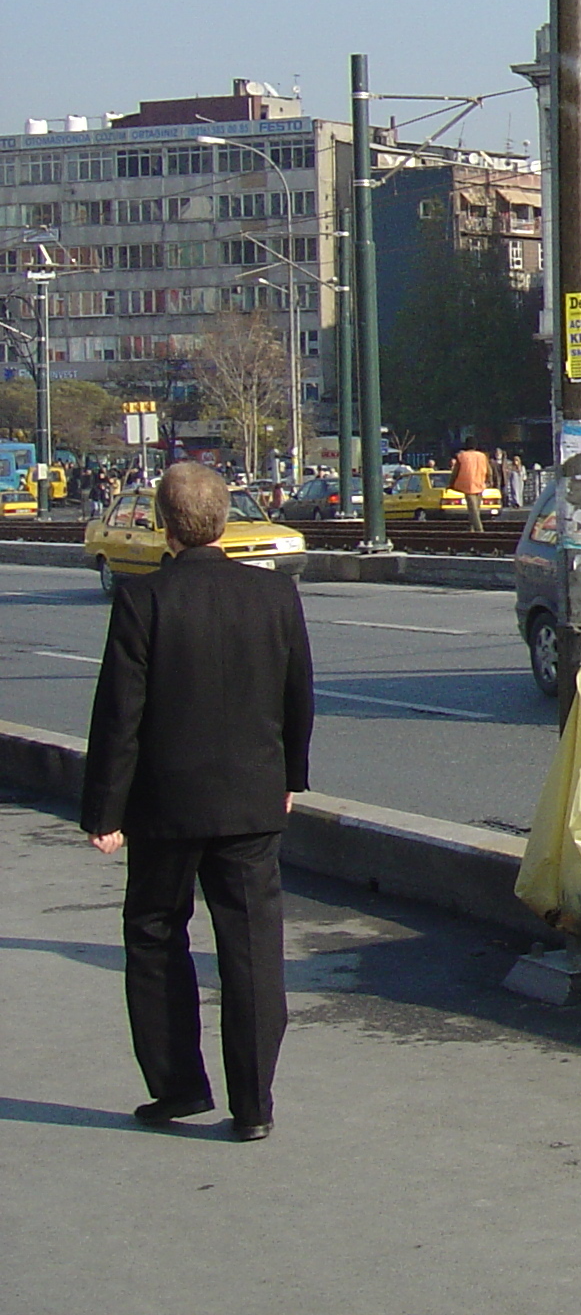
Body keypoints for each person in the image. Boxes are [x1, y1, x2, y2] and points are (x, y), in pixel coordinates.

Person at [82, 460, 315, 1142]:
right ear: (226, 519)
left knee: (155, 935)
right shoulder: (274, 598)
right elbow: (297, 695)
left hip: (164, 808)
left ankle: (178, 1086)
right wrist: (289, 779)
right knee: (250, 948)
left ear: (162, 522)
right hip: (251, 802)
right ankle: (254, 1104)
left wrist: (106, 812)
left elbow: (120, 715)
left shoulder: (141, 600)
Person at [449, 440, 491, 533]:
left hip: (468, 485)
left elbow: (455, 472)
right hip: (480, 483)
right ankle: (471, 529)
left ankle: (479, 530)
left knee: (473, 509)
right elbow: (489, 471)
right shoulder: (482, 456)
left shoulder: (462, 456)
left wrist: (451, 484)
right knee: (476, 508)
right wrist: (489, 481)